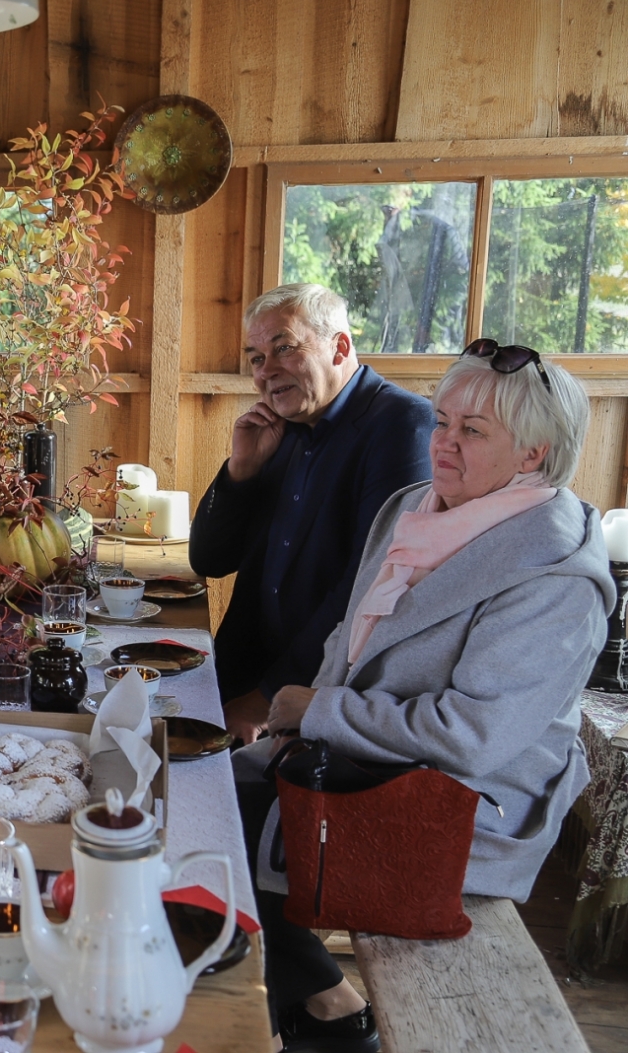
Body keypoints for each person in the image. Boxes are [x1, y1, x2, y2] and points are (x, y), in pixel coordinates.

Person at [240, 342, 610, 1052]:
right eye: (442, 422)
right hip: (366, 759)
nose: (443, 442)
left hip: (463, 804)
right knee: (196, 806)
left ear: (533, 455)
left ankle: (329, 1016)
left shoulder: (555, 578)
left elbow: (471, 736)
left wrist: (315, 712)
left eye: (472, 431)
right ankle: (321, 1002)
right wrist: (304, 714)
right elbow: (347, 637)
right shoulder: (416, 508)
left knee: (215, 832)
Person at [189, 284, 436, 744]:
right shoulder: (283, 426)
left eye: (284, 348)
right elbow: (209, 560)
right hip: (241, 672)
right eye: (257, 358)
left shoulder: (402, 425)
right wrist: (239, 471)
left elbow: (369, 586)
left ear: (339, 346)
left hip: (321, 695)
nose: (267, 371)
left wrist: (265, 699)